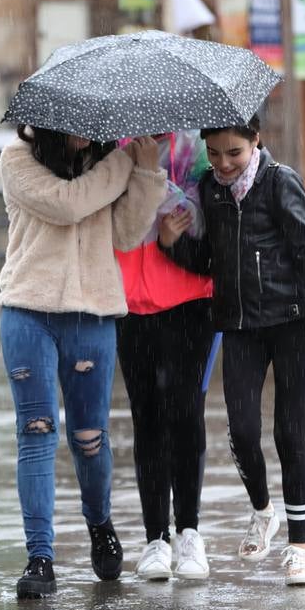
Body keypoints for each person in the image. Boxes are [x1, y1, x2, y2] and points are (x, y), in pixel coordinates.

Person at [159, 114, 305, 587]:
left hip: (295, 321)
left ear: (256, 141)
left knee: (288, 432)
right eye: (214, 153)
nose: (223, 163)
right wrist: (171, 245)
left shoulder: (281, 183)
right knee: (241, 431)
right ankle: (263, 511)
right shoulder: (209, 189)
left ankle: (299, 548)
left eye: (234, 153)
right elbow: (208, 260)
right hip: (239, 326)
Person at [0, 126, 167, 599]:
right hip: (28, 309)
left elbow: (128, 236)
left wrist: (147, 169)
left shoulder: (104, 158)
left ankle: (99, 521)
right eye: (71, 131)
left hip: (92, 312)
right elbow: (67, 203)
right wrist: (125, 162)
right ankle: (40, 557)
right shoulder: (16, 158)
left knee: (89, 439)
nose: (82, 138)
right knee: (36, 431)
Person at [114, 130, 216, 582]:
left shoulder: (194, 149)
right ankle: (155, 537)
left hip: (190, 298)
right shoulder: (114, 150)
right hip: (128, 300)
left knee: (186, 414)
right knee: (147, 418)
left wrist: (180, 232)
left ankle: (189, 531)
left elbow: (214, 219)